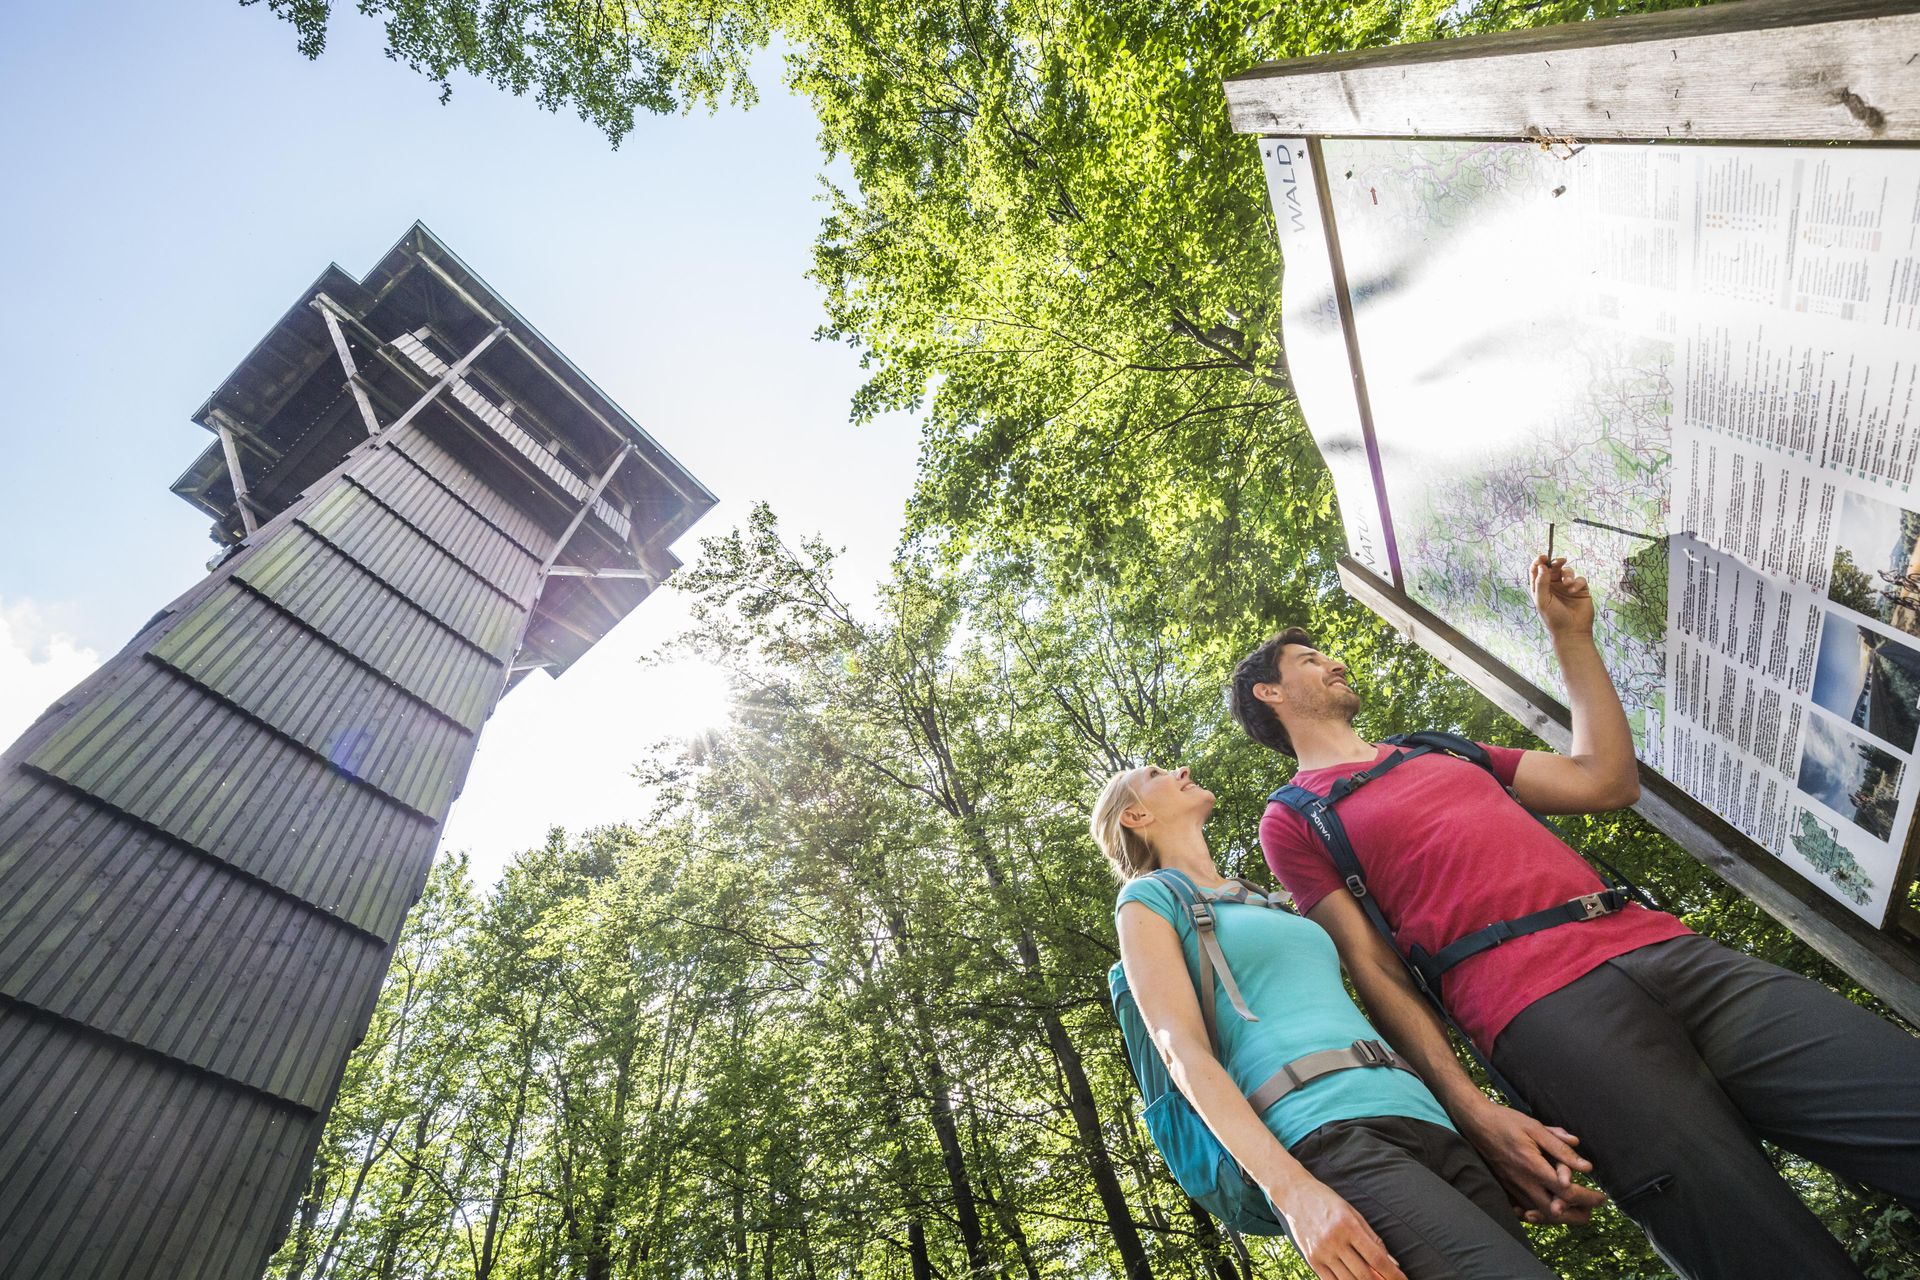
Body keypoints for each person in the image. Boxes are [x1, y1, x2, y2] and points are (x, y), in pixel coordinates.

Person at [1228, 554, 1920, 1280]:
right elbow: (1374, 972)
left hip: (1673, 955)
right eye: (1311, 659)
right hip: (1544, 1018)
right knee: (1746, 1242)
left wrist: (1571, 639)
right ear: (1270, 692)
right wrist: (1471, 1109)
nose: (1334, 662)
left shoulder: (1436, 748)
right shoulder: (1294, 817)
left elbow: (1606, 779)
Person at [1096, 761, 1561, 1279]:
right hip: (1328, 1135)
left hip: (1430, 1123)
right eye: (1158, 772)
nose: (1180, 768)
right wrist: (1291, 1191)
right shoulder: (1147, 900)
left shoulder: (1262, 900)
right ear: (1136, 815)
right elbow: (1180, 1050)